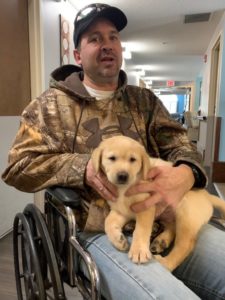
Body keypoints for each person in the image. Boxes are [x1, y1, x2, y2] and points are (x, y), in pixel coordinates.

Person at [2, 3, 225, 299]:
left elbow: (181, 145)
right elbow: (18, 167)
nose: (106, 45)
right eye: (94, 38)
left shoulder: (144, 101)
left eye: (113, 37)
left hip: (163, 215)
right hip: (94, 229)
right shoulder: (49, 106)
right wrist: (84, 168)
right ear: (78, 55)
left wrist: (183, 176)